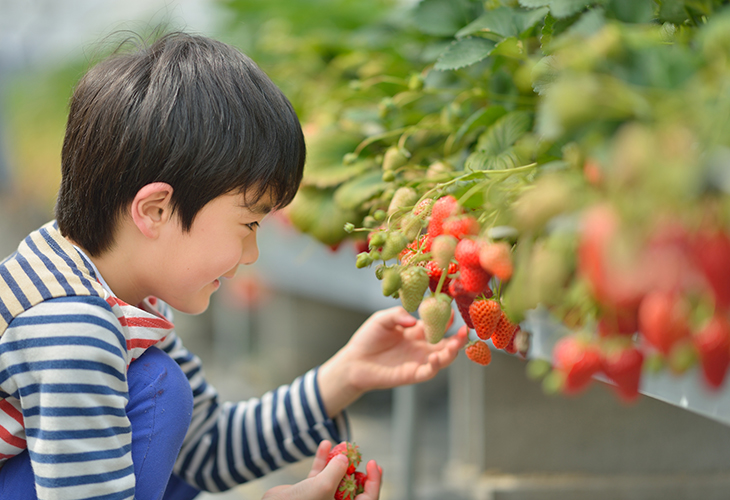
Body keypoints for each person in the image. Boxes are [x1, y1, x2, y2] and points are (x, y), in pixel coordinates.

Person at [0, 32, 468, 499]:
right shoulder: (70, 325)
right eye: (249, 224)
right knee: (159, 386)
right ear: (155, 210)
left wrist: (344, 376)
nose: (252, 254)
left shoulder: (120, 295)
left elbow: (203, 448)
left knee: (162, 397)